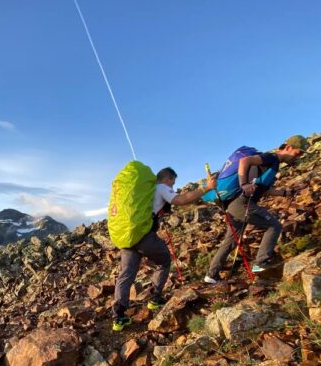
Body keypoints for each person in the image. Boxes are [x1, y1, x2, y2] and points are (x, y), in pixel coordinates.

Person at [112, 168, 217, 331]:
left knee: (126, 274)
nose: (173, 186)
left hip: (127, 236)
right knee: (164, 261)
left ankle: (118, 316)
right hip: (144, 236)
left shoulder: (144, 192)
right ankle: (154, 298)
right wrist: (206, 188)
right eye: (172, 182)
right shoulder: (161, 187)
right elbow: (181, 200)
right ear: (167, 178)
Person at [205, 135, 308, 283]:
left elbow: (262, 190)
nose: (297, 157)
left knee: (231, 240)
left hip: (235, 205)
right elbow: (244, 161)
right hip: (242, 203)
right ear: (288, 147)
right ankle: (261, 264)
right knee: (274, 226)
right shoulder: (271, 157)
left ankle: (211, 275)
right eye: (297, 153)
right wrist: (244, 183)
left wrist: (284, 193)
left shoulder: (272, 165)